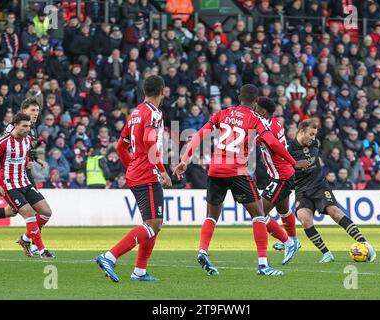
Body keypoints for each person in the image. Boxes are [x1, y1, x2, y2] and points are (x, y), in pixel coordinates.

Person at [173, 84, 309, 276]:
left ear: (239, 98)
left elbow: (199, 135)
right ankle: (263, 265)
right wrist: (293, 162)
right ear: (255, 102)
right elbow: (272, 142)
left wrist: (184, 160)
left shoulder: (223, 113)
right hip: (237, 171)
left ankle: (203, 251)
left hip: (215, 170)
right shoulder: (255, 119)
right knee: (259, 216)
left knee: (211, 216)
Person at [96, 75, 172, 282]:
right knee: (154, 224)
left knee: (151, 224)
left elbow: (121, 146)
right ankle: (109, 256)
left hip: (137, 172)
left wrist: (131, 166)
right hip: (147, 173)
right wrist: (162, 170)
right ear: (162, 91)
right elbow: (149, 141)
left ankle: (139, 271)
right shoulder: (154, 113)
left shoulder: (135, 113)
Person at [287, 118, 376, 263]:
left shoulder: (314, 144)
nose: (313, 138)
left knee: (335, 212)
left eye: (315, 134)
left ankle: (366, 244)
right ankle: (326, 253)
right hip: (301, 189)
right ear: (301, 132)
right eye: (311, 134)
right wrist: (295, 165)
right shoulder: (289, 149)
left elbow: (309, 162)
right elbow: (286, 167)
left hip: (318, 185)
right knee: (304, 219)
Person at [0, 99, 53, 247]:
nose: (36, 113)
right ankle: (33, 243)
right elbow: (3, 151)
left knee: (13, 210)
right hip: (11, 177)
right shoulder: (12, 130)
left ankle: (27, 239)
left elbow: (26, 149)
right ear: (23, 111)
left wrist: (35, 160)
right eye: (32, 110)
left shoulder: (32, 128)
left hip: (24, 174)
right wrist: (0, 180)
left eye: (37, 111)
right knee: (30, 211)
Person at [253, 97, 300, 264]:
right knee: (284, 211)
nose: (254, 110)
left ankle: (288, 242)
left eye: (256, 108)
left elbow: (253, 139)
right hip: (281, 174)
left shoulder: (267, 128)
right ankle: (294, 240)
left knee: (259, 213)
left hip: (281, 177)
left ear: (263, 112)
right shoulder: (276, 122)